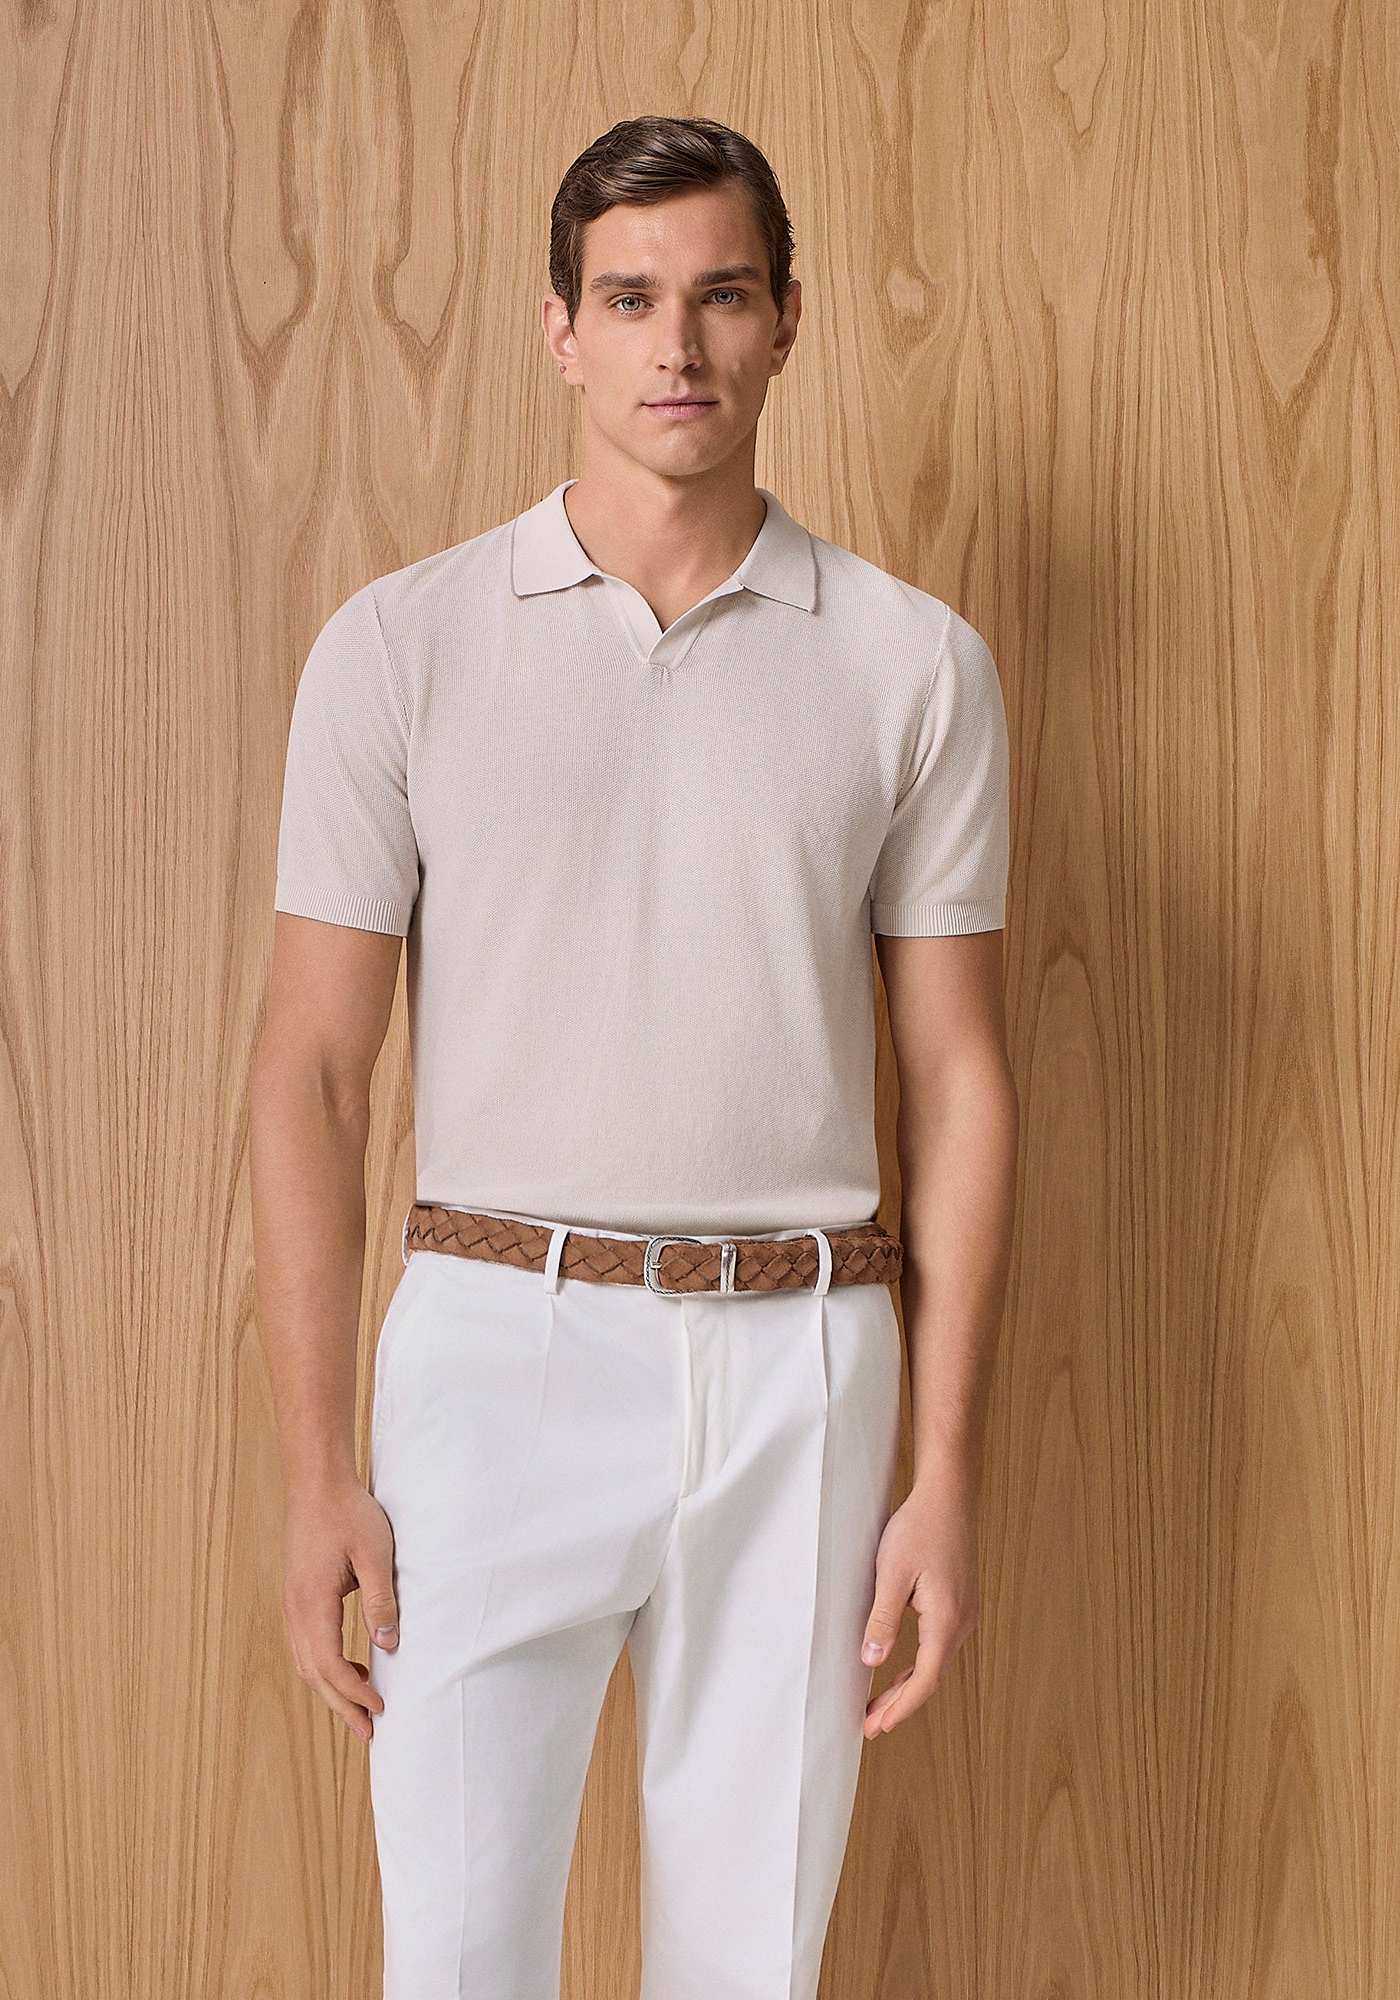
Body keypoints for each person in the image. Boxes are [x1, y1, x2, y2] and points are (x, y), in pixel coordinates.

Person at [250, 112, 1018, 2000]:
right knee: (454, 1960)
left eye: (722, 296)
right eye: (629, 297)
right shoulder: (400, 648)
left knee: (752, 1968)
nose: (677, 343)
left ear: (786, 323)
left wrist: (941, 1471)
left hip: (805, 1367)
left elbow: (958, 1083)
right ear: (560, 329)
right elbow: (313, 1075)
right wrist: (317, 1467)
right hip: (495, 1352)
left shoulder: (914, 666)